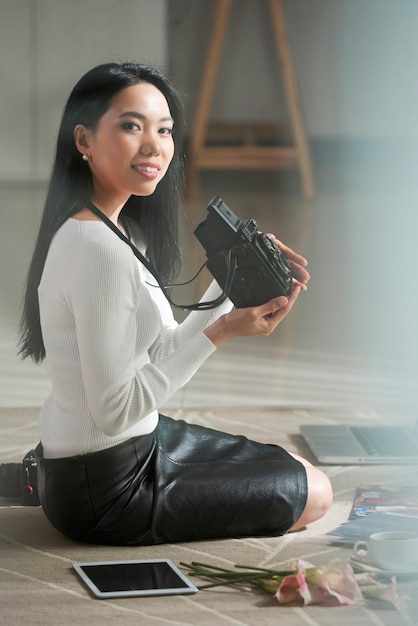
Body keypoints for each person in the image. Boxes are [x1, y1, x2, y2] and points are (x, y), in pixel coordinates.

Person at [19, 62, 332, 546]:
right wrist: (221, 331)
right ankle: (43, 482)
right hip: (107, 491)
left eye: (163, 130)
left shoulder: (108, 229)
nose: (154, 146)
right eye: (131, 126)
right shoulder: (98, 251)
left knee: (297, 470)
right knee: (316, 494)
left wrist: (232, 275)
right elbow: (114, 411)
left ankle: (37, 478)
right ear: (83, 140)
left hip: (112, 451)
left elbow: (160, 349)